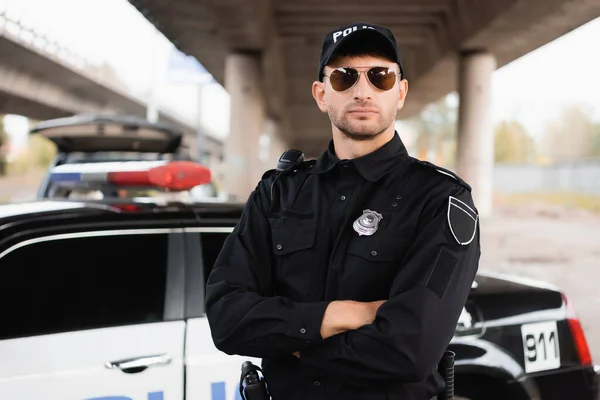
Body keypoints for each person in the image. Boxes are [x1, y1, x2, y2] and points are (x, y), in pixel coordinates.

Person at [205, 22, 481, 400]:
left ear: (400, 92)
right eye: (344, 78)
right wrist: (343, 314)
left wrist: (290, 341)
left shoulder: (439, 199)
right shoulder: (277, 193)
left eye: (380, 76)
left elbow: (410, 349)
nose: (363, 90)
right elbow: (226, 318)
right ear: (321, 94)